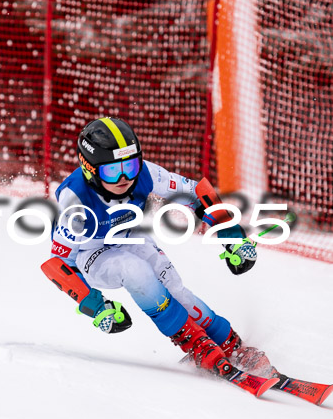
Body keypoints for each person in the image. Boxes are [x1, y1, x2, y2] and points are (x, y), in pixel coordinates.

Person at [42, 116, 269, 377]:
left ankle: (231, 345)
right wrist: (96, 306)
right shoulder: (76, 201)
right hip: (90, 254)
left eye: (131, 164)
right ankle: (195, 343)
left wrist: (232, 235)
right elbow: (58, 265)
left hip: (128, 236)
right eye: (112, 171)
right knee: (135, 270)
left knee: (176, 291)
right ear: (89, 169)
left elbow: (198, 192)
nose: (125, 177)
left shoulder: (144, 173)